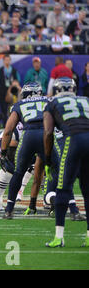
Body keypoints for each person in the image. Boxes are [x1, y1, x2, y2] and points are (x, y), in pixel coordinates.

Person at [43, 78, 89, 247]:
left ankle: (59, 237)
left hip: (74, 140)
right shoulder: (85, 100)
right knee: (87, 190)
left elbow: (48, 133)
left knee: (62, 188)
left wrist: (48, 160)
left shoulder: (53, 103)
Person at [0, 82, 50, 219]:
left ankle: (9, 209)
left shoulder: (19, 105)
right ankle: (67, 207)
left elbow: (8, 130)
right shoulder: (49, 100)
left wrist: (3, 152)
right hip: (47, 135)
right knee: (55, 172)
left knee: (19, 172)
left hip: (29, 136)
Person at [0, 120, 35, 211]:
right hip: (7, 142)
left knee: (42, 168)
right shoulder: (17, 127)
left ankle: (48, 198)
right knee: (9, 169)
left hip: (29, 144)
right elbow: (8, 137)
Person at [0, 54, 21, 123]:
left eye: (8, 60)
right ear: (3, 61)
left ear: (10, 61)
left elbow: (18, 80)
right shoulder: (0, 70)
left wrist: (15, 84)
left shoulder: (14, 71)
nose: (7, 61)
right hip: (3, 92)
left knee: (13, 107)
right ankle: (4, 123)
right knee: (3, 109)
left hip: (13, 92)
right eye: (6, 60)